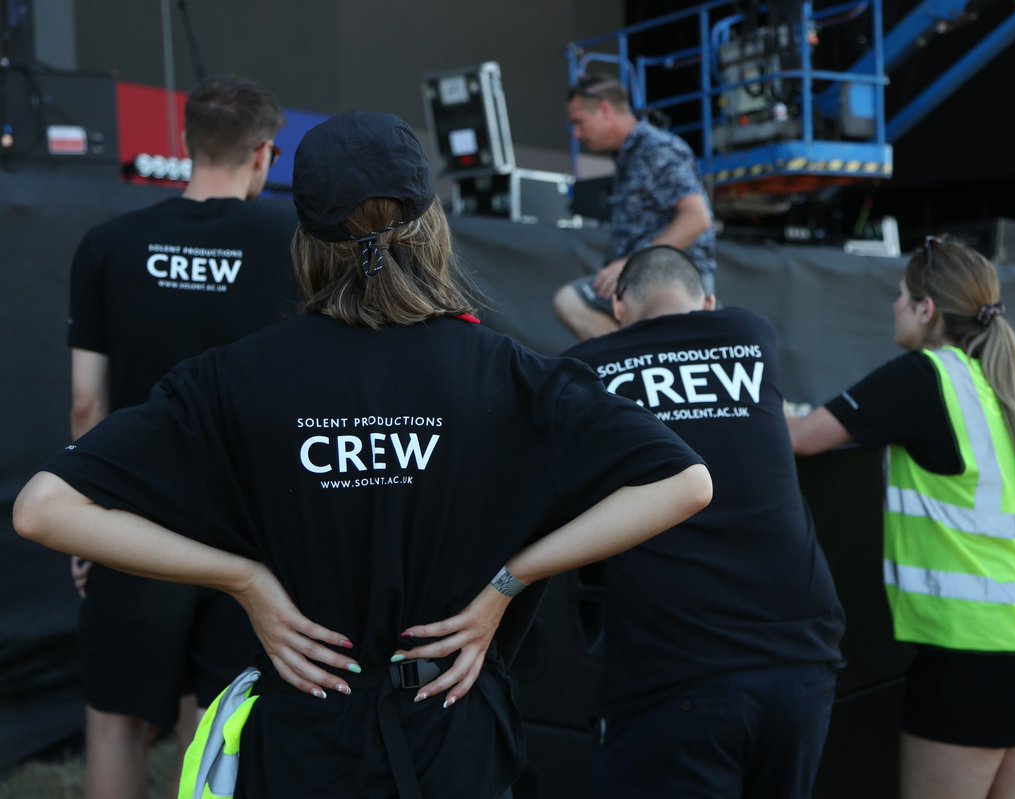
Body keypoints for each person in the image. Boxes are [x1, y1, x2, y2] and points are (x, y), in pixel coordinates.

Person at [14, 110, 713, 798]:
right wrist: (510, 581)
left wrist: (243, 579)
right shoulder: (506, 371)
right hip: (453, 741)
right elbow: (686, 482)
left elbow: (44, 509)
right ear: (432, 226)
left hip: (308, 746)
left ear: (306, 237)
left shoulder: (236, 377)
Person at [65, 74, 295, 799]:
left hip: (135, 517)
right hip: (252, 525)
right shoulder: (294, 242)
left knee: (114, 720)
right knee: (217, 717)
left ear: (185, 144)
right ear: (264, 154)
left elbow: (84, 402)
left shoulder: (107, 244)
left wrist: (86, 521)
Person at [787, 237, 1015, 799]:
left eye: (901, 296)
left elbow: (800, 439)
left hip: (979, 652)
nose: (894, 307)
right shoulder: (1010, 381)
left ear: (927, 310)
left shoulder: (924, 377)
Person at [564, 245, 845, 798]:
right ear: (710, 303)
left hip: (676, 674)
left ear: (619, 309)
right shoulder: (751, 333)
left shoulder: (590, 368)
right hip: (800, 659)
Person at [553, 75, 715, 341]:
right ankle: (634, 364)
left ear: (605, 110)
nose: (577, 134)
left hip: (673, 279)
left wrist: (630, 264)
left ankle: (631, 364)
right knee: (574, 301)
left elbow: (697, 218)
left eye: (579, 123)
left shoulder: (657, 148)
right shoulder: (627, 156)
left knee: (571, 301)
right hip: (642, 280)